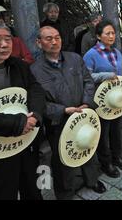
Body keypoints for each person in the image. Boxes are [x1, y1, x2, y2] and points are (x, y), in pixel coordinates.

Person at [0, 21, 45, 200]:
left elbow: (35, 90)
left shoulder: (19, 66)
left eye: (8, 39)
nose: (4, 44)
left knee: (34, 190)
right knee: (0, 193)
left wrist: (35, 116)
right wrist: (18, 123)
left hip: (26, 143)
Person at [31, 26, 106, 199]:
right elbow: (37, 102)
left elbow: (88, 82)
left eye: (57, 37)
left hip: (83, 115)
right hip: (58, 122)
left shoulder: (75, 59)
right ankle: (65, 192)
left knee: (88, 147)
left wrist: (87, 103)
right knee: (63, 159)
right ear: (38, 43)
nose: (54, 41)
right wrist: (63, 110)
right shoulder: (34, 70)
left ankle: (92, 180)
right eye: (48, 39)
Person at [83, 19, 122, 178]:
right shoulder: (91, 55)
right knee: (103, 133)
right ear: (98, 36)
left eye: (113, 33)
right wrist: (106, 75)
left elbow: (121, 76)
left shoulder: (117, 53)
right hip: (101, 101)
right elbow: (86, 77)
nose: (112, 36)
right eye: (107, 33)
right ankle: (106, 163)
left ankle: (117, 157)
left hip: (116, 100)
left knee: (116, 130)